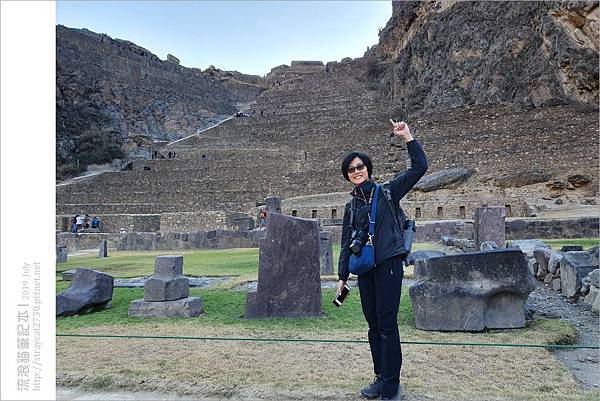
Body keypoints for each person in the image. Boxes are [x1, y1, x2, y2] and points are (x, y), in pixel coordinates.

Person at [337, 120, 427, 400]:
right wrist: (342, 278)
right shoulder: (351, 207)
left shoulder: (387, 192)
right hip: (365, 270)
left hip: (387, 265)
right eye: (351, 169)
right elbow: (344, 244)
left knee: (387, 324)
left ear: (368, 169)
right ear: (347, 175)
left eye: (360, 167)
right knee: (373, 325)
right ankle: (380, 376)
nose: (356, 172)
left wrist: (408, 137)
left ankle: (391, 385)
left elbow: (419, 168)